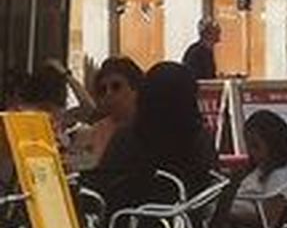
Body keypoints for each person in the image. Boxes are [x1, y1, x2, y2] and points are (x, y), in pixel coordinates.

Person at [87, 61, 219, 212]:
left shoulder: (129, 139)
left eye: (116, 87)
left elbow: (102, 187)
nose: (109, 94)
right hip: (186, 221)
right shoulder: (200, 140)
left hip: (129, 221)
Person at [64, 57, 143, 172]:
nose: (108, 94)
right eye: (103, 90)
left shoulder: (148, 126)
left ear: (135, 90)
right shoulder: (96, 130)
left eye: (116, 86)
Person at [229, 110, 287, 228]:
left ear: (273, 144)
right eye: (248, 146)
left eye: (256, 146)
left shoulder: (280, 175)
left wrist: (225, 213)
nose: (251, 152)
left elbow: (267, 219)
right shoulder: (259, 170)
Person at [182, 17, 222, 81]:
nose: (218, 38)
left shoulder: (208, 52)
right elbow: (196, 79)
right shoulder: (195, 52)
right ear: (207, 34)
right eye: (216, 33)